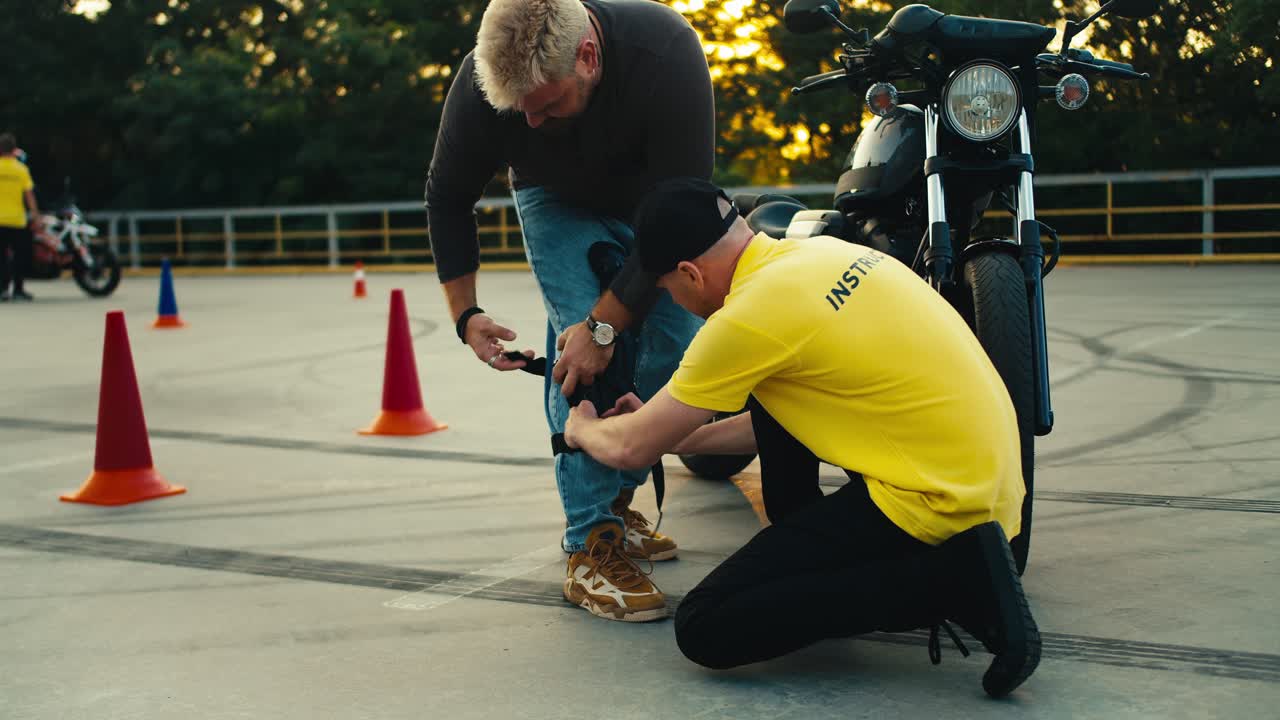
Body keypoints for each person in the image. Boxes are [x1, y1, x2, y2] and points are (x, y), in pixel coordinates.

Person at [564, 177, 1041, 697]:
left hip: (939, 506)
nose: (674, 301)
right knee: (775, 397)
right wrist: (676, 435)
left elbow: (631, 447)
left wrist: (583, 429)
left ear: (689, 273)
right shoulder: (823, 254)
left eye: (668, 291)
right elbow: (781, 420)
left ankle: (954, 581)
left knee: (706, 624)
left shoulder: (746, 319)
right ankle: (942, 566)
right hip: (996, 496)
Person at [424, 0, 715, 622]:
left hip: (655, 206)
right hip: (553, 198)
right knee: (585, 354)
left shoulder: (665, 54)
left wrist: (609, 324)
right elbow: (448, 197)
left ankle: (615, 500)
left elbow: (679, 216)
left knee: (674, 344)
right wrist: (465, 312)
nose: (528, 123)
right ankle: (591, 542)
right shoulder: (485, 87)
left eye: (546, 104)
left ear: (587, 56)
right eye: (515, 109)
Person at [0, 133, 42, 302]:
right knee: (20, 257)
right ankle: (18, 290)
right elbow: (29, 195)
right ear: (14, 149)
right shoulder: (21, 170)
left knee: (1, 258)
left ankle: (2, 290)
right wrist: (36, 216)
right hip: (17, 220)